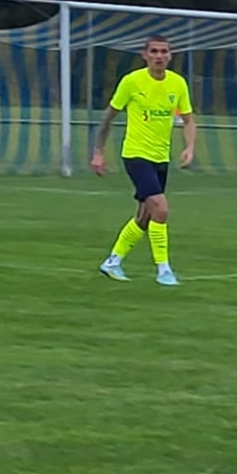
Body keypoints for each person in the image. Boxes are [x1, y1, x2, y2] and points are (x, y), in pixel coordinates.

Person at [92, 34, 195, 287]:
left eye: (164, 51)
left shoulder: (177, 83)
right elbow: (108, 117)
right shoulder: (132, 82)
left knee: (145, 217)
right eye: (154, 51)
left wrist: (190, 147)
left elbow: (188, 120)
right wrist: (98, 151)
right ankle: (164, 270)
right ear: (145, 55)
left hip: (161, 157)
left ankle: (112, 262)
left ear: (170, 56)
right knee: (161, 208)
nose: (159, 56)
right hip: (136, 155)